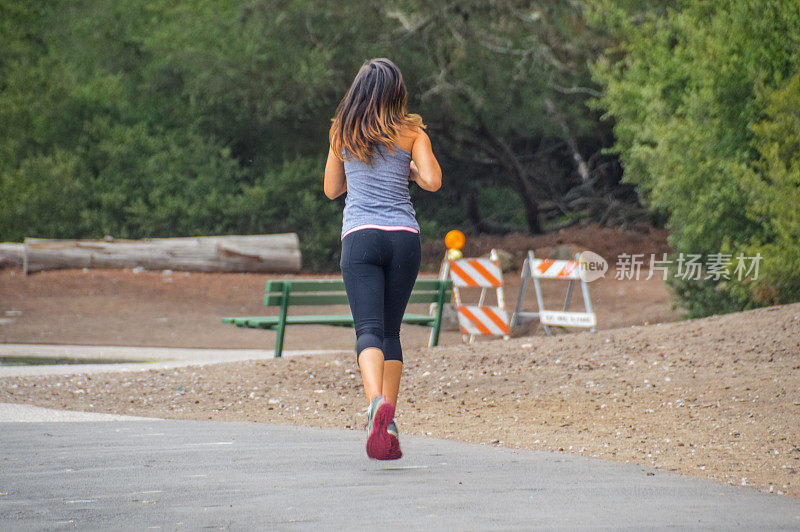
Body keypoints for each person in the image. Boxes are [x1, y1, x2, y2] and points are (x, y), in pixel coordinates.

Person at [323, 58, 442, 460]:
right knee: (392, 332)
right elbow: (433, 181)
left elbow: (332, 190)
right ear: (397, 92)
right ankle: (387, 427)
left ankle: (376, 403)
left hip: (361, 238)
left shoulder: (342, 131)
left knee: (368, 331)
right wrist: (408, 169)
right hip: (403, 239)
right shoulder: (412, 131)